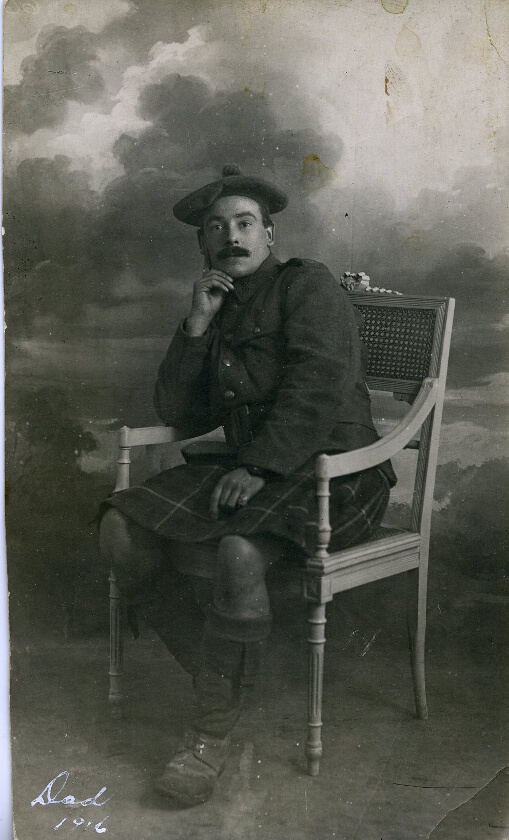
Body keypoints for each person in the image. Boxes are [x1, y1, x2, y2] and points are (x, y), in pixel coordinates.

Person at [99, 164, 396, 807]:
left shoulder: (307, 285)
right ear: (203, 244)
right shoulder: (220, 302)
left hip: (336, 471)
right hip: (253, 470)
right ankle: (225, 684)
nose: (231, 237)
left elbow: (316, 386)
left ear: (269, 233)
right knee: (120, 528)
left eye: (244, 223)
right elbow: (180, 412)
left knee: (238, 551)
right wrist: (197, 324)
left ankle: (209, 735)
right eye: (216, 228)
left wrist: (258, 466)